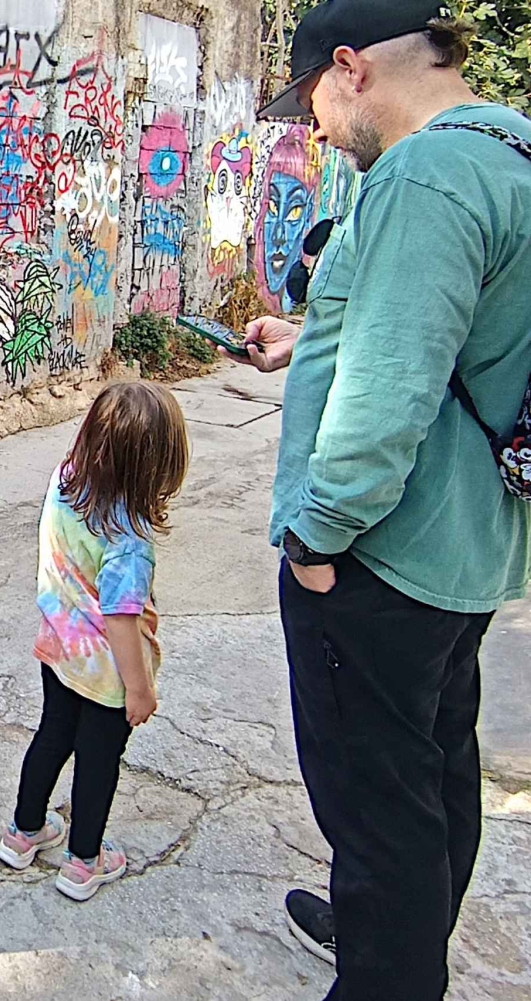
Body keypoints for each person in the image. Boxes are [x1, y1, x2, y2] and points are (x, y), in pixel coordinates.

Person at [245, 3, 531, 997]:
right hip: (466, 549)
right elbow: (454, 335)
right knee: (434, 770)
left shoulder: (423, 175)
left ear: (351, 68)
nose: (317, 130)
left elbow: (385, 399)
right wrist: (308, 339)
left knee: (379, 811)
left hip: (383, 558)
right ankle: (392, 928)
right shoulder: (510, 150)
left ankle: (387, 960)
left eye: (312, 104)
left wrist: (315, 539)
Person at [0, 382, 189, 902]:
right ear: (155, 467)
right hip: (105, 674)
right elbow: (121, 619)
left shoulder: (65, 481)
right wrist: (140, 688)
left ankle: (23, 832)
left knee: (53, 736)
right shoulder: (130, 542)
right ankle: (84, 861)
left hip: (59, 649)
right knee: (97, 761)